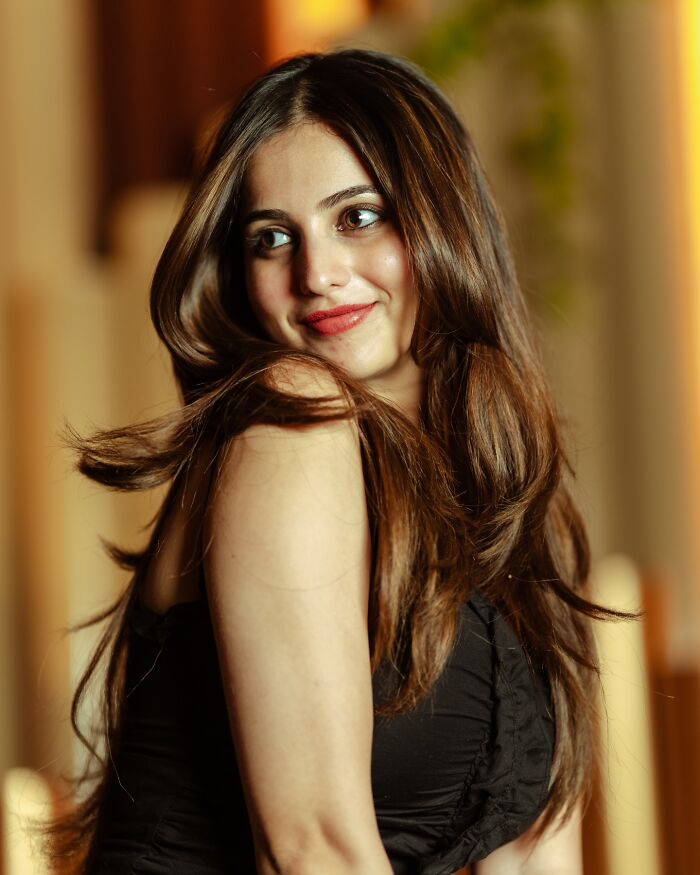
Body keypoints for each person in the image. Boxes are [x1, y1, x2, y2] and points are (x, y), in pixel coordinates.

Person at [50, 49, 624, 874]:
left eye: (357, 217)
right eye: (272, 238)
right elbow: (310, 849)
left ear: (442, 219)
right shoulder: (293, 419)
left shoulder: (516, 496)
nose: (316, 274)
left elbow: (534, 852)